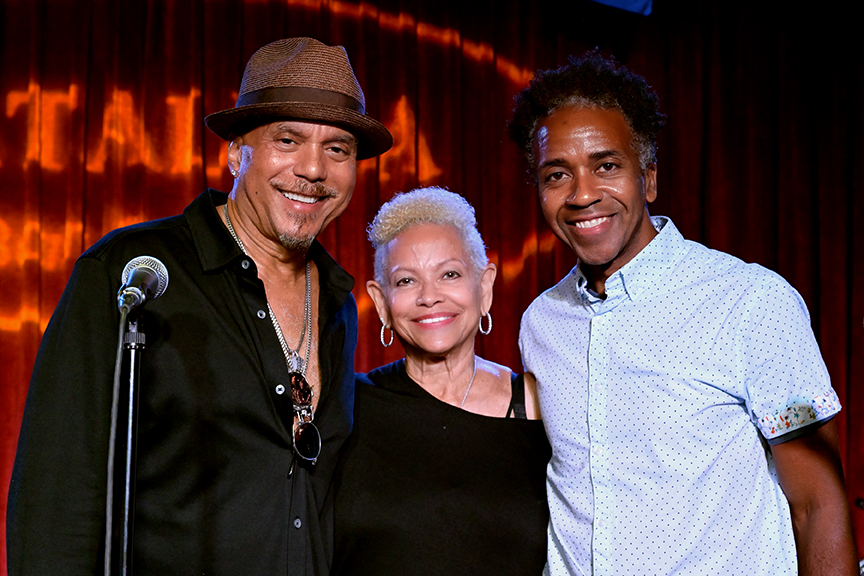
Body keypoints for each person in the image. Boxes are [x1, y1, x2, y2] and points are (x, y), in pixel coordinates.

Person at [7, 37, 392, 575]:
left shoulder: (337, 302)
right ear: (237, 151)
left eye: (338, 149)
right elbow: (56, 500)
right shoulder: (134, 272)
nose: (313, 169)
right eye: (288, 139)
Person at [507, 50, 859, 575]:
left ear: (648, 178)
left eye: (606, 166)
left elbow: (818, 504)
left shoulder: (750, 302)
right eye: (557, 174)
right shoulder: (541, 323)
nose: (582, 194)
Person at [331, 187, 551, 575]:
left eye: (449, 274)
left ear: (484, 287)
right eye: (405, 282)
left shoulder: (538, 406)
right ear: (381, 303)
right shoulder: (348, 405)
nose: (429, 297)